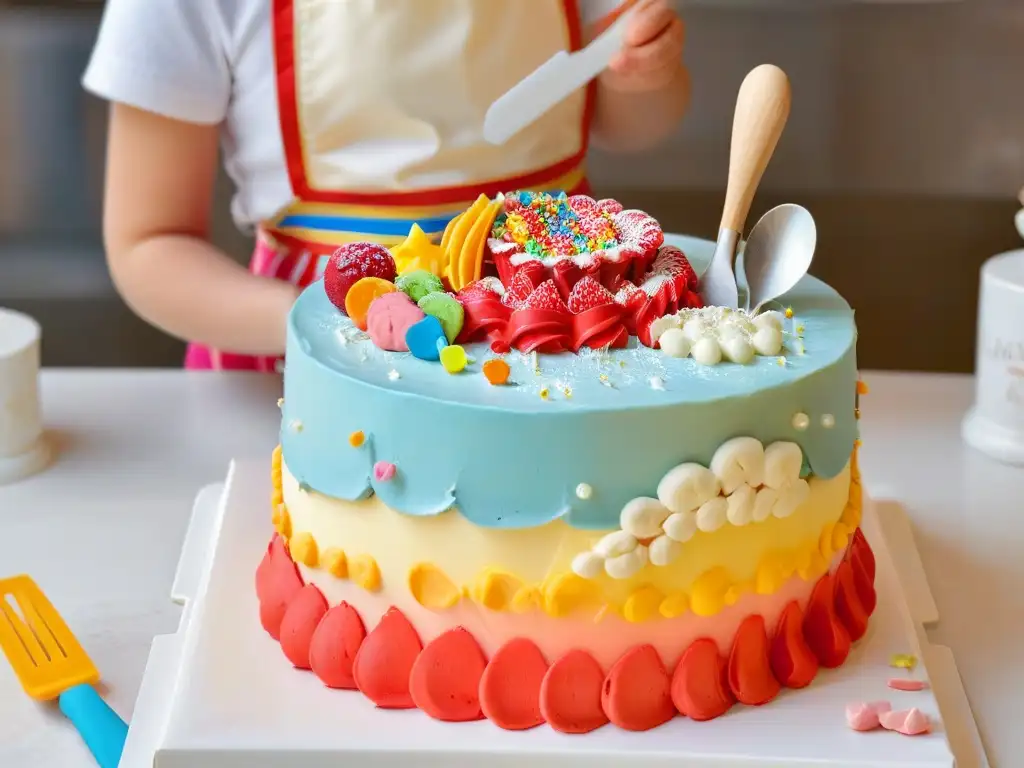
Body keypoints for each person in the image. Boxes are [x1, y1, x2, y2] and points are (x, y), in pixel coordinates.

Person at [84, 0, 690, 371]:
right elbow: (150, 241)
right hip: (297, 353)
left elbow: (635, 125)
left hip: (556, 328)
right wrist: (331, 324)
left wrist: (642, 79)